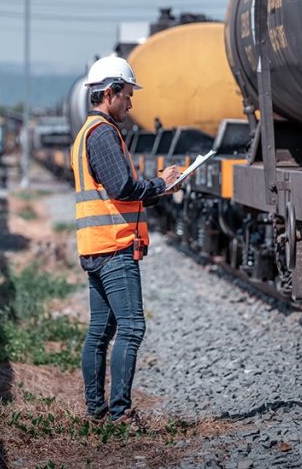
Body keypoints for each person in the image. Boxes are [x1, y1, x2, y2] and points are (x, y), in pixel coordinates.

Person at [70, 55, 182, 424]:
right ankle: (118, 413)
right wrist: (161, 183)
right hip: (114, 246)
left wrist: (158, 189)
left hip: (97, 245)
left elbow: (117, 191)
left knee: (101, 331)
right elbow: (122, 187)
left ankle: (96, 412)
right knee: (132, 327)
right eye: (128, 95)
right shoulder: (103, 133)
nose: (131, 104)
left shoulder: (87, 132)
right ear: (110, 92)